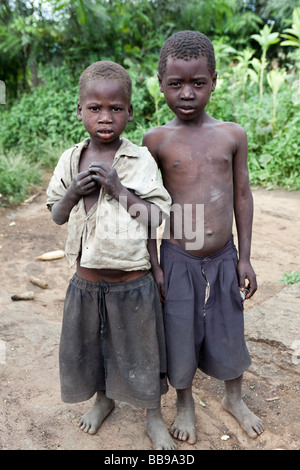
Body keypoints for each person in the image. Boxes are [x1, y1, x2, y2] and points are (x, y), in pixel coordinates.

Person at [46, 60, 175, 450]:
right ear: (80, 110)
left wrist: (120, 189)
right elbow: (57, 213)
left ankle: (153, 416)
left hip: (131, 283)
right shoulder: (71, 159)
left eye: (116, 108)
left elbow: (157, 217)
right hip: (86, 284)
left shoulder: (139, 161)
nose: (106, 117)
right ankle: (103, 400)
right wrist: (72, 192)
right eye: (95, 108)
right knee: (93, 347)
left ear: (130, 112)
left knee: (142, 351)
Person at [143, 31, 264, 445]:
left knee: (229, 326)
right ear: (161, 85)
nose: (188, 93)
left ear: (215, 80)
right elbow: (148, 208)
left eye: (198, 82)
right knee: (179, 331)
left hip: (224, 254)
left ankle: (234, 397)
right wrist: (154, 265)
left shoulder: (232, 134)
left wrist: (244, 257)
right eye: (176, 84)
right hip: (177, 254)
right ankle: (185, 404)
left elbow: (242, 195)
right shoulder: (155, 141)